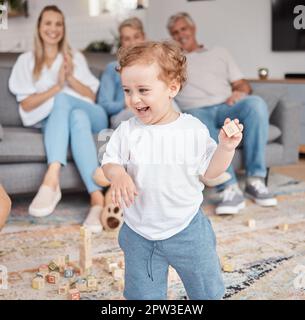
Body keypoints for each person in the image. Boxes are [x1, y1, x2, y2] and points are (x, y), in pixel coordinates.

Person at [101, 41, 245, 299]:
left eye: (143, 90)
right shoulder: (126, 131)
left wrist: (225, 148)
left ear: (172, 88)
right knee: (142, 297)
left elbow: (211, 172)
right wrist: (119, 174)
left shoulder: (192, 129)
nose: (134, 99)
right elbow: (109, 162)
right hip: (139, 234)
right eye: (127, 90)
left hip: (188, 230)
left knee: (207, 292)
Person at [9, 5, 108, 233]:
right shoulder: (26, 60)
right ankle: (97, 199)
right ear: (39, 27)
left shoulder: (75, 57)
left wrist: (69, 78)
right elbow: (26, 104)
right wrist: (56, 86)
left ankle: (52, 177)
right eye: (48, 23)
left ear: (63, 28)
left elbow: (91, 95)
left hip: (96, 115)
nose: (53, 29)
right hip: (62, 120)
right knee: (76, 117)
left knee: (71, 104)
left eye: (58, 24)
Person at [167, 12, 277, 215]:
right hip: (196, 110)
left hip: (226, 106)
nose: (180, 34)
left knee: (256, 104)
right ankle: (229, 187)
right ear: (172, 37)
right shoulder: (173, 62)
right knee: (196, 121)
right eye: (175, 32)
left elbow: (242, 84)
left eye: (184, 29)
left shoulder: (219, 52)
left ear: (193, 29)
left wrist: (240, 92)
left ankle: (255, 180)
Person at [97, 17, 145, 130]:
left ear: (143, 37)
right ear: (121, 42)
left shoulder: (153, 65)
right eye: (127, 38)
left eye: (136, 37)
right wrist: (125, 103)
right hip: (125, 113)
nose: (132, 43)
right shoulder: (112, 68)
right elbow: (104, 104)